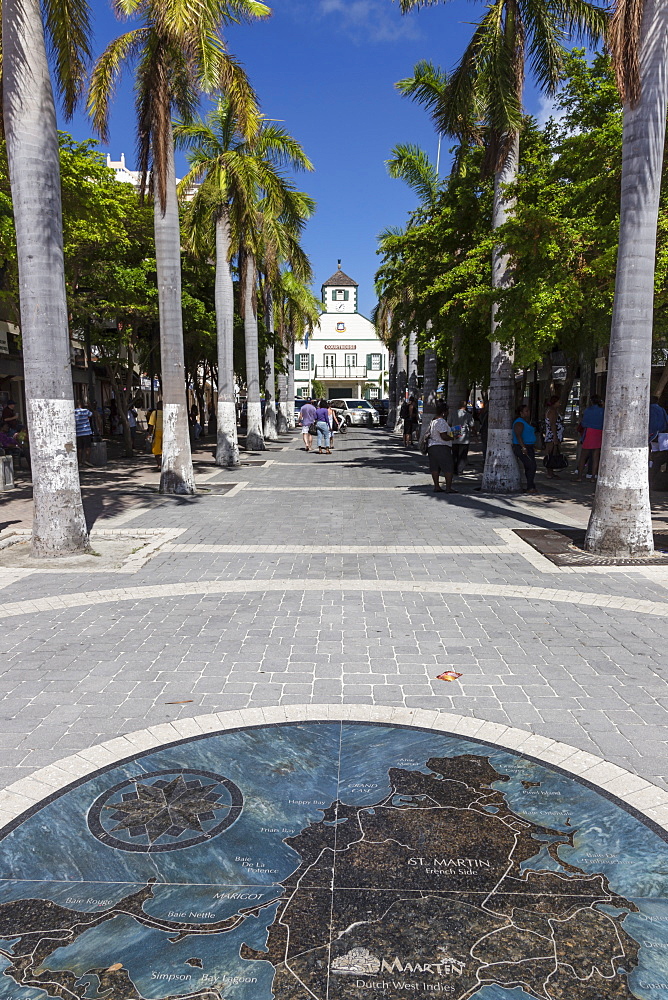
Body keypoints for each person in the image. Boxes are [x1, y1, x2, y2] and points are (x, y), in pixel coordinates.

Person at [425, 401, 456, 493]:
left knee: (435, 467)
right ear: (444, 412)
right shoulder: (441, 421)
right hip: (441, 447)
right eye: (447, 411)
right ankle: (448, 488)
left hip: (432, 446)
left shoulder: (433, 421)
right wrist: (452, 437)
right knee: (448, 467)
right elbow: (443, 436)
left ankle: (437, 486)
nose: (448, 413)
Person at [576, 395, 604, 481]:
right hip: (599, 432)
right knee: (596, 456)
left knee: (583, 456)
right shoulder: (603, 411)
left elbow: (583, 423)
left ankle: (579, 476)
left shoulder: (588, 410)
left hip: (589, 432)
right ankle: (593, 477)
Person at [512, 403, 537, 493]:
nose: (528, 413)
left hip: (529, 446)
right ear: (521, 412)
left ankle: (531, 485)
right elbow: (518, 435)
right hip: (522, 447)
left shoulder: (525, 421)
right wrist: (523, 447)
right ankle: (530, 486)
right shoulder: (519, 422)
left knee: (530, 466)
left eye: (528, 411)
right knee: (531, 466)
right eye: (526, 411)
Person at [543, 395, 565, 479]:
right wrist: (555, 436)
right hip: (552, 435)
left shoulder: (555, 411)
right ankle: (549, 472)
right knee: (551, 453)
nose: (559, 403)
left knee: (553, 453)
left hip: (555, 435)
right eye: (558, 402)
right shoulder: (552, 411)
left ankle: (551, 471)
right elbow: (553, 424)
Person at [452, 401, 473, 476]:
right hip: (464, 438)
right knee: (462, 455)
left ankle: (454, 469)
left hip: (455, 436)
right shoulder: (467, 415)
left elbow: (449, 423)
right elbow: (471, 424)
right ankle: (460, 470)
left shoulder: (453, 414)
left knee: (455, 454)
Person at [74, 402, 95, 467]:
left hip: (78, 432)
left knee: (80, 448)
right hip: (86, 432)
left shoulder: (73, 412)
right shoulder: (86, 411)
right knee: (87, 447)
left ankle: (79, 461)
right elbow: (92, 414)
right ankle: (87, 460)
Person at [148, 400, 163, 467]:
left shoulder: (155, 413)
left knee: (156, 449)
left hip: (157, 432)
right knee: (163, 449)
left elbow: (151, 425)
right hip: (165, 432)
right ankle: (162, 464)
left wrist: (149, 434)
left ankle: (159, 464)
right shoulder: (167, 412)